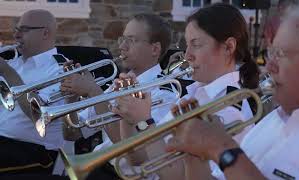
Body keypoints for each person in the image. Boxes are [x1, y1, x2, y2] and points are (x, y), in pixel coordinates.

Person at [166, 4, 299, 179]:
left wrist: (221, 147)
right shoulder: (271, 121)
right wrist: (194, 156)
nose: (269, 66)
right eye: (271, 53)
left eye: (282, 54)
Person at [111, 3, 260, 179]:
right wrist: (128, 118)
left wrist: (144, 121)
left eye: (196, 44)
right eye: (187, 45)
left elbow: (179, 175)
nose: (187, 55)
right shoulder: (195, 92)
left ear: (228, 47)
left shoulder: (230, 109)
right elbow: (139, 158)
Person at [60, 13, 178, 179]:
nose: (122, 46)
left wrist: (94, 93)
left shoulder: (165, 92)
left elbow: (134, 153)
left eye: (132, 40)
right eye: (122, 39)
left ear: (155, 49)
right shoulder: (118, 85)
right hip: (99, 169)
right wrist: (70, 101)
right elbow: (72, 134)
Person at [0, 9, 65, 175]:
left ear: (45, 33)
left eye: (24, 30)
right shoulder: (15, 63)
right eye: (17, 30)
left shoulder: (60, 70)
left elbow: (39, 115)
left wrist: (7, 72)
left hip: (33, 152)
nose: (16, 35)